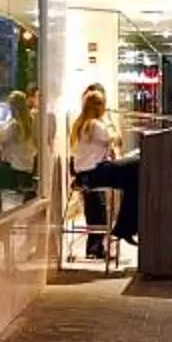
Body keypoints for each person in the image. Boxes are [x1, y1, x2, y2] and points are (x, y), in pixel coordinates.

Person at [68, 83, 140, 260]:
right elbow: (115, 139)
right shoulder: (96, 125)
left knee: (133, 182)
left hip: (86, 173)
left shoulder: (82, 123)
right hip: (94, 172)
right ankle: (124, 228)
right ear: (98, 107)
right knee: (138, 165)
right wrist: (110, 122)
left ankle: (124, 227)